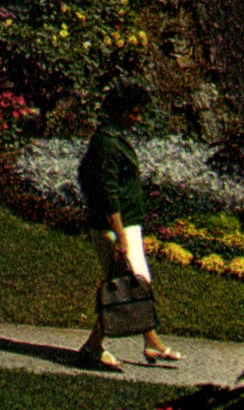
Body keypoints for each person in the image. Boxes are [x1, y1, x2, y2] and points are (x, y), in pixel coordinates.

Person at [76, 81, 181, 371]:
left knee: (133, 284)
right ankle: (94, 347)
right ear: (119, 111)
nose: (138, 118)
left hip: (126, 225)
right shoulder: (107, 143)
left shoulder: (113, 138)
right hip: (114, 227)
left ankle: (149, 341)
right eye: (134, 113)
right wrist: (120, 235)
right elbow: (107, 191)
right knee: (128, 286)